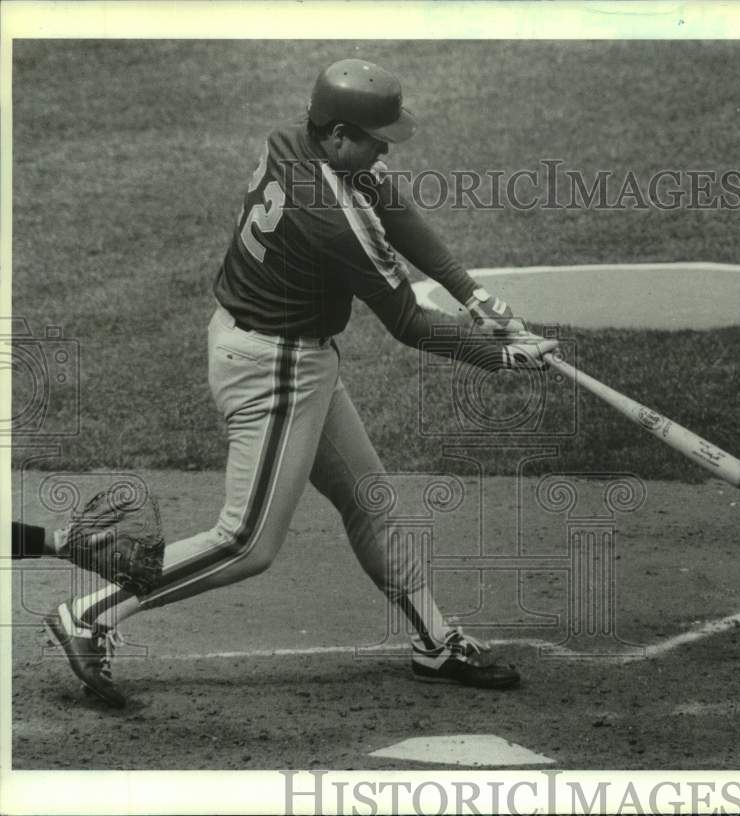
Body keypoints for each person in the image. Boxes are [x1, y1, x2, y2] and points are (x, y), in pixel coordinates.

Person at [44, 58, 557, 708]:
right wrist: (501, 356)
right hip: (274, 368)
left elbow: (389, 203)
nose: (385, 151)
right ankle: (91, 615)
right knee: (247, 542)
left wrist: (477, 298)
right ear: (340, 135)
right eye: (377, 140)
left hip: (279, 351)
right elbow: (406, 322)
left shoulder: (295, 139)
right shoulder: (331, 218)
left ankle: (434, 641)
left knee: (369, 498)